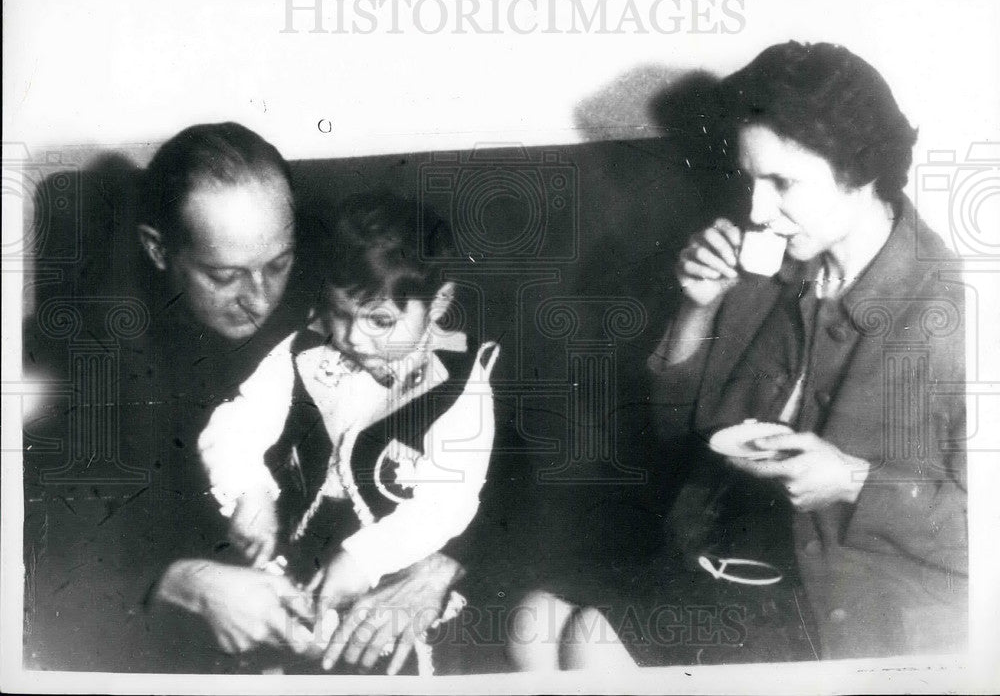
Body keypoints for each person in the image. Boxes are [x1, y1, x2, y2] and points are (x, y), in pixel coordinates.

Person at [509, 41, 966, 667]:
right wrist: (699, 305)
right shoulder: (776, 263)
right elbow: (678, 433)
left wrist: (853, 481)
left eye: (782, 183)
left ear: (861, 171)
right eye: (752, 181)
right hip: (733, 554)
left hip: (854, 595)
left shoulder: (956, 310)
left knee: (592, 641)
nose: (758, 211)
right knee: (534, 622)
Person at [105, 123, 466, 673]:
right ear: (158, 250)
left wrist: (439, 567)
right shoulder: (98, 358)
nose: (258, 300)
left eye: (277, 265)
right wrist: (183, 584)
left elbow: (497, 449)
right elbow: (54, 557)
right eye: (224, 276)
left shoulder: (340, 292)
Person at [194, 190, 500, 671]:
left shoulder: (458, 378)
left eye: (381, 320)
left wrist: (364, 559)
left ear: (437, 304)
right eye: (340, 313)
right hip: (297, 547)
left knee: (389, 660)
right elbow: (236, 423)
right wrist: (249, 492)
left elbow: (449, 501)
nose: (354, 338)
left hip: (398, 557)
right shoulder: (304, 350)